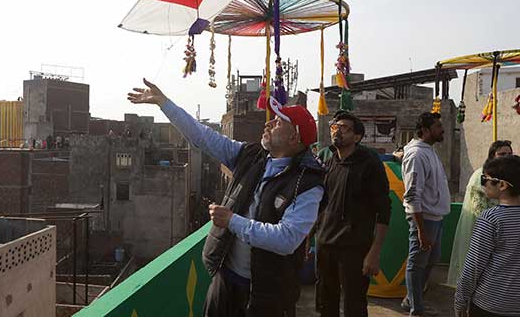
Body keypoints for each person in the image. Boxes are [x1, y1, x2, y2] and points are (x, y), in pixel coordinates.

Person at [128, 79, 324, 317]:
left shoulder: (308, 184)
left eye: (278, 121)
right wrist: (164, 103)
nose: (269, 123)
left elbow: (286, 239)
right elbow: (203, 137)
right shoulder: (250, 156)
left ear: (294, 138)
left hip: (267, 293)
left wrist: (232, 221)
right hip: (225, 278)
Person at [314, 111, 391, 317]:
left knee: (354, 306)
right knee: (325, 303)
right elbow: (320, 204)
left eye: (344, 128)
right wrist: (309, 237)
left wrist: (374, 253)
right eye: (334, 127)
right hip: (325, 244)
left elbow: (384, 209)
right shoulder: (328, 160)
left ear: (357, 137)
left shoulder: (369, 162)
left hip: (354, 248)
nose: (337, 131)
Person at [454, 155, 520, 317]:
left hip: (491, 305)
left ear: (502, 185)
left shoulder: (491, 218)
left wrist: (460, 299)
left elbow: (473, 266)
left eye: (486, 180)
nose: (482, 184)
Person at [401, 112, 451, 316]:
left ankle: (410, 299)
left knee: (431, 260)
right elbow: (413, 195)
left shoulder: (428, 150)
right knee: (417, 263)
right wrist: (421, 229)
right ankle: (416, 308)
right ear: (425, 130)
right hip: (425, 220)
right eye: (438, 126)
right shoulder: (416, 154)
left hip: (436, 219)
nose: (442, 129)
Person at [446, 140, 513, 287]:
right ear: (492, 156)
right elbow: (480, 210)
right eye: (502, 154)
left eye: (509, 154)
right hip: (481, 229)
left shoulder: (505, 175)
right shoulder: (482, 176)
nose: (506, 157)